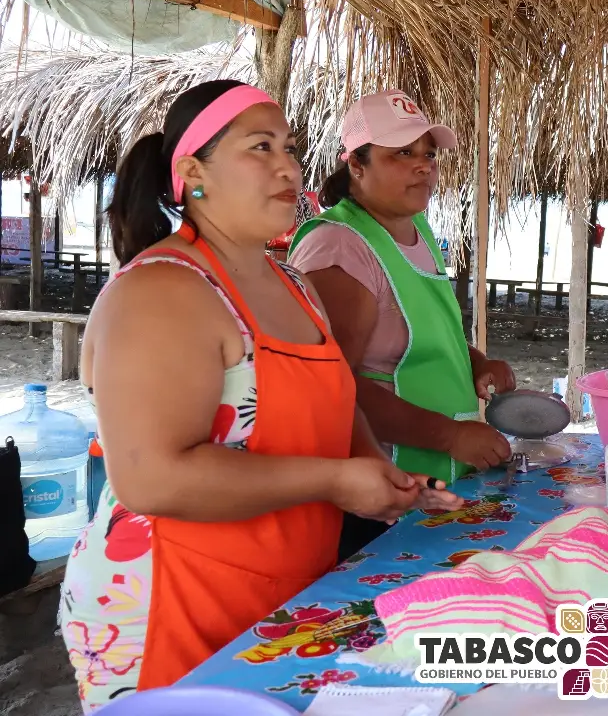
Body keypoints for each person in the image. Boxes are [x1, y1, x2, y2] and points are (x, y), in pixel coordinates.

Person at [59, 80, 462, 711]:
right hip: (173, 599)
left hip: (284, 591)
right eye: (260, 147)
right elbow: (153, 479)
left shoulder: (291, 279)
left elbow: (335, 394)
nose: (286, 165)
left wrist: (377, 470)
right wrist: (334, 481)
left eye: (291, 147)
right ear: (194, 173)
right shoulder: (164, 291)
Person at [289, 89, 514, 560]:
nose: (423, 166)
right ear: (355, 165)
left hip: (434, 472)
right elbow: (333, 385)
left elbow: (432, 335)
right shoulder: (339, 246)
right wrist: (451, 436)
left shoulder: (418, 230)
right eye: (402, 154)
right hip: (382, 484)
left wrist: (477, 363)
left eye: (428, 154)